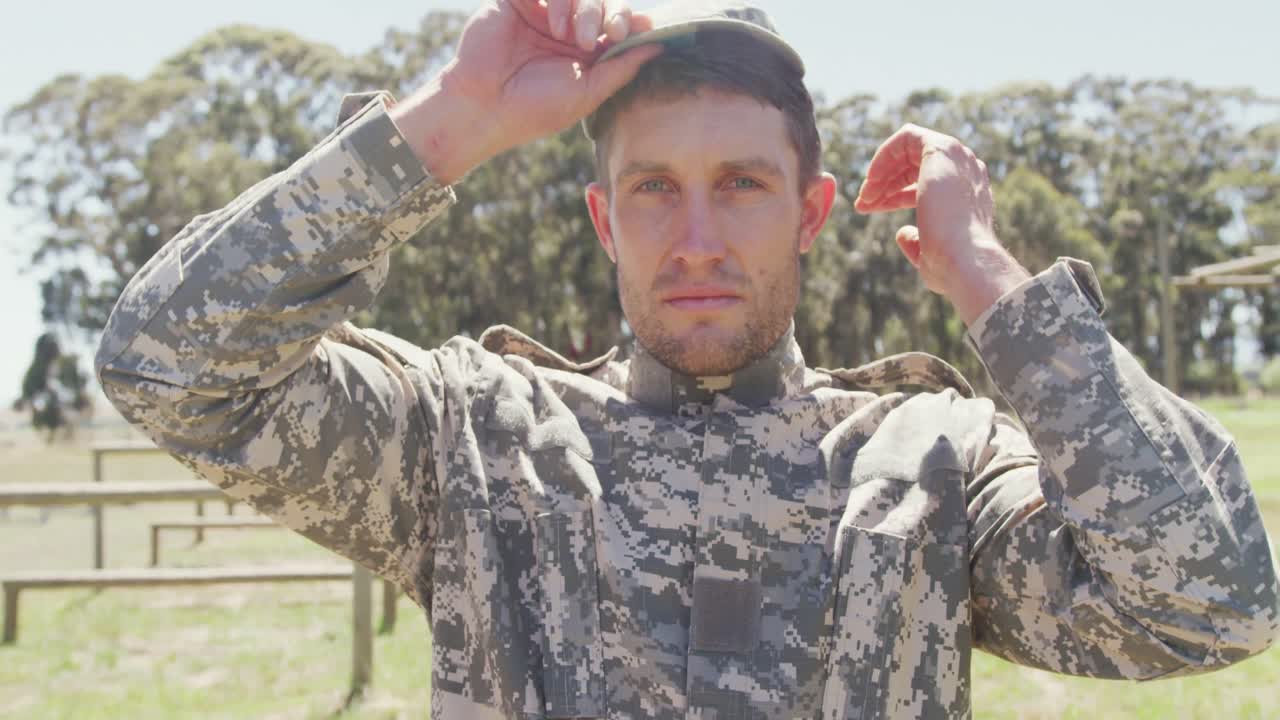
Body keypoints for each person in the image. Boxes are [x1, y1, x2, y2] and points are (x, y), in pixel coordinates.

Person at [95, 1, 1280, 717]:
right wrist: (452, 120)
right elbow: (171, 366)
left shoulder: (935, 463)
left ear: (811, 213)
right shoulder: (468, 439)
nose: (697, 238)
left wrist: (987, 281)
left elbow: (1205, 604)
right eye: (653, 189)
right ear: (604, 220)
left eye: (742, 185)